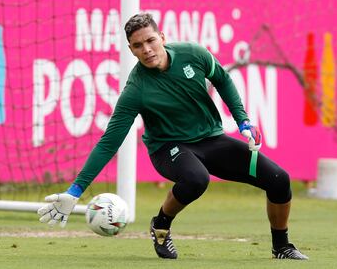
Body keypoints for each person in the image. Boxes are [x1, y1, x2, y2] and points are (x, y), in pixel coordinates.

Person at [37, 13, 308, 260]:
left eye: (151, 41)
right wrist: (75, 191)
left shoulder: (194, 54)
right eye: (138, 45)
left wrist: (243, 121)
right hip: (168, 148)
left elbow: (223, 80)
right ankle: (161, 225)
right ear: (130, 50)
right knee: (196, 179)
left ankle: (281, 246)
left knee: (279, 181)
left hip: (211, 139)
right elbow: (110, 142)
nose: (147, 49)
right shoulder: (136, 89)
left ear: (162, 38)